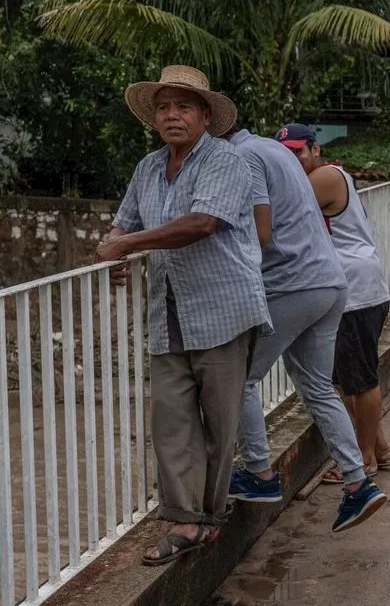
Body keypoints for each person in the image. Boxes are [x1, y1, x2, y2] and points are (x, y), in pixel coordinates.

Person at [97, 65, 270, 565]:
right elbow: (122, 224)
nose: (173, 115)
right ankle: (183, 519)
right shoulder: (148, 168)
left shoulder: (226, 162)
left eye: (184, 106)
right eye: (164, 107)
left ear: (204, 115)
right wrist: (112, 250)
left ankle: (208, 517)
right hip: (168, 311)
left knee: (219, 422)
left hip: (223, 309)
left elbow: (200, 222)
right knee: (171, 419)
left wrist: (128, 243)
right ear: (154, 117)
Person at [222, 125, 386, 533]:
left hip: (294, 284)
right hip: (332, 283)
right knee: (317, 386)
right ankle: (358, 482)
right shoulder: (277, 155)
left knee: (238, 377)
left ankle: (259, 473)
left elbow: (260, 231)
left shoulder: (244, 158)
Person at [276, 124, 390, 479]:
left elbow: (281, 210)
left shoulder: (325, 176)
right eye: (285, 154)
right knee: (340, 381)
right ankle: (381, 449)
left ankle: (364, 460)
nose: (292, 161)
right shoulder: (326, 175)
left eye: (297, 152)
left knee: (361, 381)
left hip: (356, 290)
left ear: (315, 149)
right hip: (346, 290)